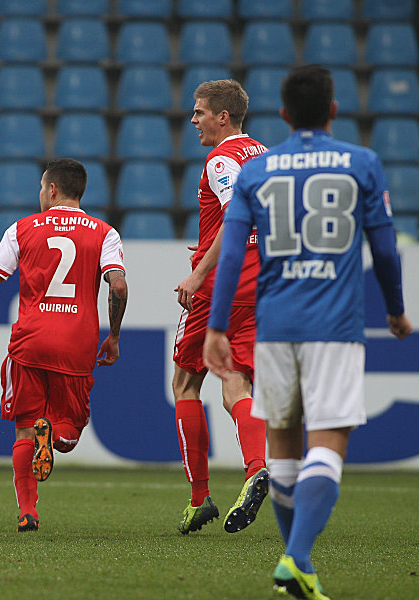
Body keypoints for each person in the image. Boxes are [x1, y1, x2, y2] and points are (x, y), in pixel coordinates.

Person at [204, 65, 412, 600]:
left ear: (283, 115)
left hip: (273, 327)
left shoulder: (258, 172)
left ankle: (299, 565)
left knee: (283, 449)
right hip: (335, 328)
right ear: (334, 111)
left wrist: (218, 325)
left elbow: (231, 255)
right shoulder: (361, 163)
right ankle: (295, 557)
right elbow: (385, 250)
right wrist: (394, 309)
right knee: (328, 444)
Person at [0, 158, 128, 532]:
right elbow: (117, 285)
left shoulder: (21, 228)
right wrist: (114, 336)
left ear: (51, 189)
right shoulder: (105, 233)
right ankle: (53, 434)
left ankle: (27, 512)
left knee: (24, 428)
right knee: (68, 430)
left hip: (29, 342)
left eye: (41, 187)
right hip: (77, 344)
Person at [172, 79, 271, 535]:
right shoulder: (265, 155)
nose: (194, 120)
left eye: (199, 112)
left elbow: (235, 217)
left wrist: (197, 274)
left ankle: (199, 499)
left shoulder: (221, 159)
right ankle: (255, 468)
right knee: (236, 379)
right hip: (261, 285)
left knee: (186, 382)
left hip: (219, 285)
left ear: (222, 117)